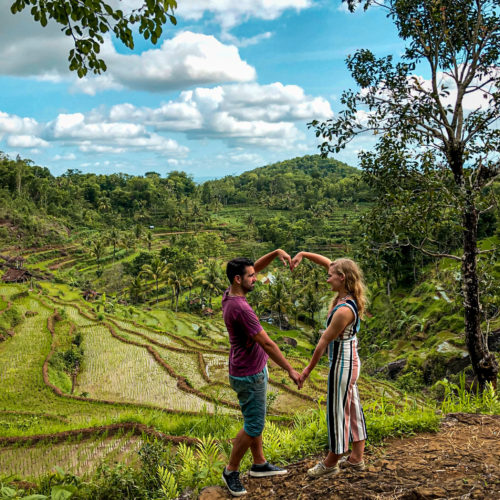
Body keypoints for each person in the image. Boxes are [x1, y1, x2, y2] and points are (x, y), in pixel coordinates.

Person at [221, 250, 302, 497]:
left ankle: (259, 464)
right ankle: (231, 470)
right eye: (252, 276)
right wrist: (290, 369)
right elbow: (267, 343)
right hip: (250, 375)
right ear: (238, 279)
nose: (256, 278)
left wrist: (276, 253)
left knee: (253, 420)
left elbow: (253, 267)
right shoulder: (242, 309)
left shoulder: (229, 295)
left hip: (248, 368)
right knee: (254, 425)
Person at [291, 252, 368, 477]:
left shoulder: (343, 311)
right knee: (352, 406)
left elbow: (323, 342)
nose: (327, 279)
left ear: (342, 278)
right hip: (351, 359)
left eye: (330, 276)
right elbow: (329, 263)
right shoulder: (349, 294)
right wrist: (304, 254)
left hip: (342, 363)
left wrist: (306, 371)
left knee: (337, 412)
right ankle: (356, 458)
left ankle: (331, 463)